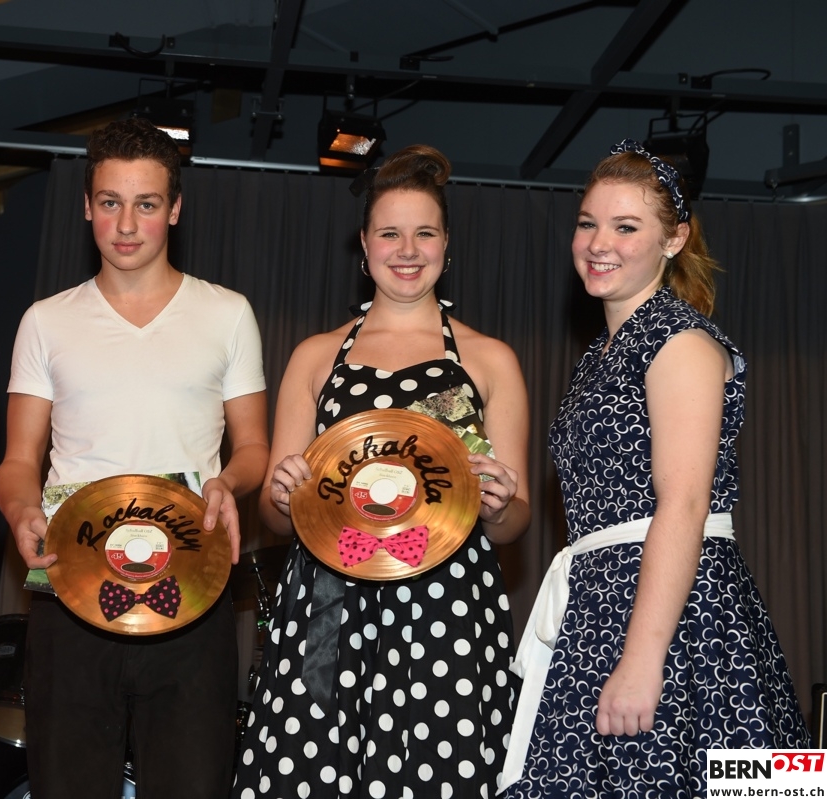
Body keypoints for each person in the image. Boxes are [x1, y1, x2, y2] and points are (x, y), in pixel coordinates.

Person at [499, 140, 810, 799]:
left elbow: (685, 504)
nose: (598, 243)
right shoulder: (602, 354)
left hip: (678, 622)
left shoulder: (682, 341)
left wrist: (643, 659)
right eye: (588, 223)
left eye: (626, 226)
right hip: (598, 610)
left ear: (674, 239)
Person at [233, 144, 531, 799]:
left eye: (425, 232)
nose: (408, 249)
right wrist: (282, 494)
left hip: (449, 605)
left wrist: (501, 502)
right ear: (364, 246)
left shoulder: (489, 360)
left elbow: (514, 525)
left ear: (447, 244)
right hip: (327, 600)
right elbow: (275, 521)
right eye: (390, 233)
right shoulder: (316, 356)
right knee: (310, 773)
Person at [0, 117, 269, 799]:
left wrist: (228, 482)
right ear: (86, 206)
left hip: (191, 585)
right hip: (69, 584)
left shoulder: (227, 313)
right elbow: (18, 460)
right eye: (110, 201)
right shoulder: (45, 320)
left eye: (146, 203)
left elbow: (254, 447)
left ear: (174, 209)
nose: (125, 224)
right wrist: (21, 510)